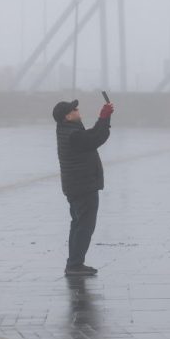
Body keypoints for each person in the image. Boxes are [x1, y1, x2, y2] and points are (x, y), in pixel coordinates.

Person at [53, 99, 114, 276]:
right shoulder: (73, 135)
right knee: (84, 226)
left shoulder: (68, 131)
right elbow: (96, 138)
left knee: (78, 224)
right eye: (75, 109)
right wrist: (104, 117)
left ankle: (74, 263)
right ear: (68, 116)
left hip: (75, 186)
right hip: (83, 187)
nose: (78, 110)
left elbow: (92, 136)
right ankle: (74, 265)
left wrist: (104, 118)